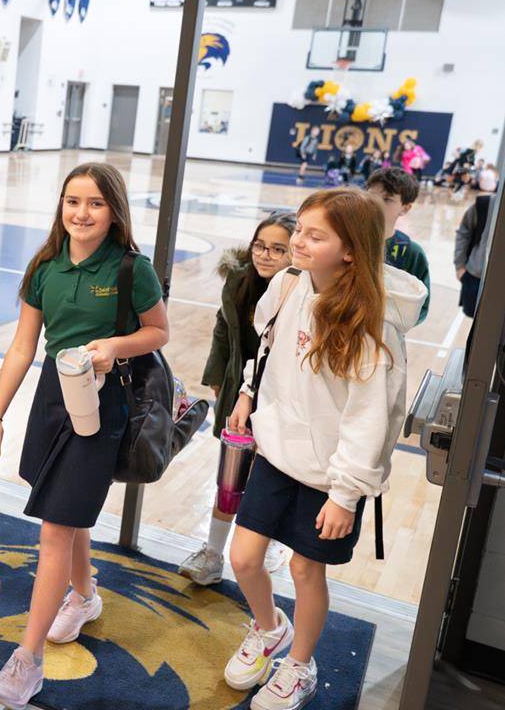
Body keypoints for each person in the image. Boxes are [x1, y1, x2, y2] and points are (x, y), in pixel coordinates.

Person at [222, 188, 425, 710]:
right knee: (243, 558)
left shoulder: (370, 325)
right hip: (275, 453)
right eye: (300, 231)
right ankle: (269, 629)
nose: (298, 243)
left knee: (305, 571)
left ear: (351, 249)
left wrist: (345, 495)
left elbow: (370, 418)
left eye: (316, 236)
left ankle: (300, 665)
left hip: (329, 477)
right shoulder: (288, 286)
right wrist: (248, 393)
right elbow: (265, 348)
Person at [0, 163, 169, 709]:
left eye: (95, 204)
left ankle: (27, 660)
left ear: (114, 211)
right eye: (72, 201)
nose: (81, 213)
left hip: (102, 403)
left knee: (56, 529)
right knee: (68, 510)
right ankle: (85, 596)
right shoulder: (45, 267)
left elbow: (158, 331)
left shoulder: (134, 269)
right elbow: (21, 346)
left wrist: (113, 345)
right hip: (51, 398)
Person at [180, 211, 298, 587]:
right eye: (260, 246)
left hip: (283, 398)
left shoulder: (302, 292)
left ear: (294, 253)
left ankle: (275, 541)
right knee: (230, 476)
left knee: (275, 474)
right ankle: (212, 554)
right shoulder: (238, 278)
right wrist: (217, 377)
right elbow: (222, 327)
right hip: (240, 392)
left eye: (278, 249)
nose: (265, 255)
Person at [367, 167, 431, 323]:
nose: (376, 203)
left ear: (405, 208)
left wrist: (390, 321)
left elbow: (421, 306)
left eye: (387, 199)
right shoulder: (345, 239)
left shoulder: (411, 252)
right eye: (371, 196)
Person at [455, 193, 494, 318]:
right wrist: (460, 265)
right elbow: (464, 231)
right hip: (475, 277)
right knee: (476, 321)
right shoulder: (485, 204)